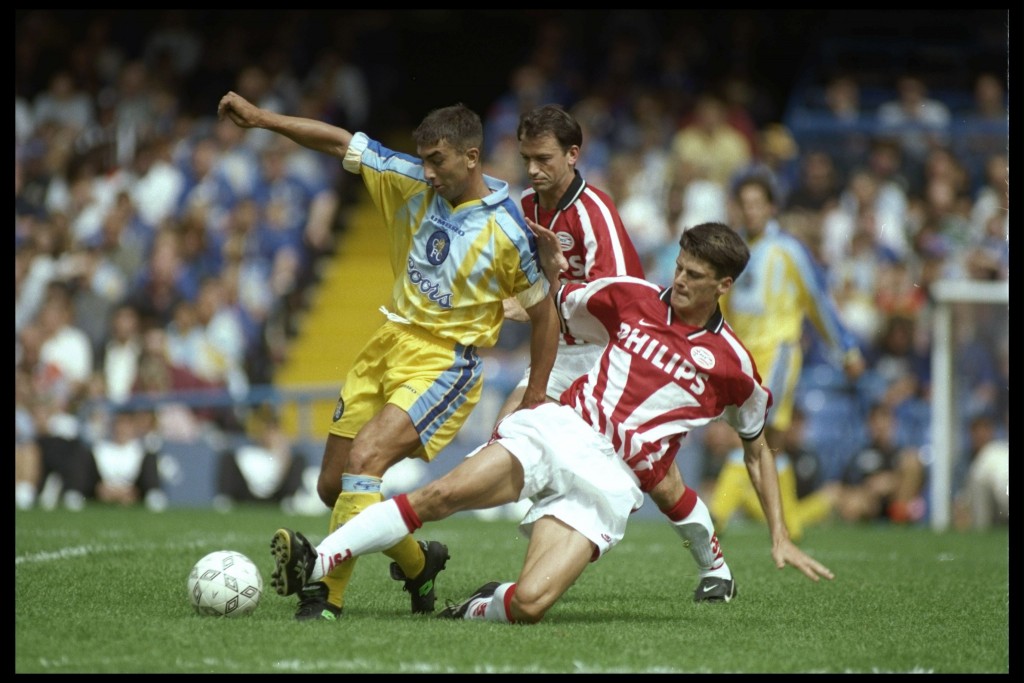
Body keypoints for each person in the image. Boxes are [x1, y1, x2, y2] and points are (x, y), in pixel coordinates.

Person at [268, 221, 834, 625]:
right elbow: (556, 303)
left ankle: (481, 604)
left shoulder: (734, 366)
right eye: (680, 267)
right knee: (442, 494)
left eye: (694, 275)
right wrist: (530, 297)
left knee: (530, 606)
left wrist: (779, 536)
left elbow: (757, 447)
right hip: (562, 430)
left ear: (724, 286)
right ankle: (315, 561)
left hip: (611, 483)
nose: (679, 280)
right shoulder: (630, 297)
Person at [217, 92, 561, 621]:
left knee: (366, 461)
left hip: (444, 363)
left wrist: (536, 393)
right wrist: (261, 120)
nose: (426, 172)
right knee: (334, 487)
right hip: (387, 343)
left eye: (437, 161)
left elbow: (544, 315)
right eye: (422, 159)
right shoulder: (408, 178)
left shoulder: (508, 231)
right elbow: (338, 141)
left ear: (471, 157)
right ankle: (420, 564)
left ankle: (323, 596)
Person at [499, 103, 761, 596]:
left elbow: (621, 297)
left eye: (542, 158)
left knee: (659, 481)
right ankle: (535, 567)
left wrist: (546, 300)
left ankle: (714, 564)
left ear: (573, 155)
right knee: (509, 429)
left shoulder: (594, 212)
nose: (532, 169)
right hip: (559, 347)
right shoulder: (531, 207)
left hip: (608, 352)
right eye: (526, 158)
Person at [711, 175, 864, 540]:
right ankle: (791, 526)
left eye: (756, 203)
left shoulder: (788, 251)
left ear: (770, 207)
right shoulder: (732, 253)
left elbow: (818, 301)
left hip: (777, 353)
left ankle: (716, 513)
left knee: (752, 435)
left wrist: (846, 350)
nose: (749, 210)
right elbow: (720, 308)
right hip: (742, 357)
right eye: (743, 203)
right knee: (772, 444)